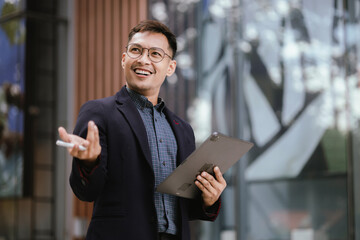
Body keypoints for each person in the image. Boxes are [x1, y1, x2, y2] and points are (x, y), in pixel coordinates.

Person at [58, 20, 227, 240]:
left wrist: (209, 198)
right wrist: (89, 162)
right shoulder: (99, 112)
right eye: (136, 50)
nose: (143, 60)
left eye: (155, 54)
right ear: (123, 59)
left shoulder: (183, 130)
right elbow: (86, 192)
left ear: (171, 67)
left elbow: (185, 208)